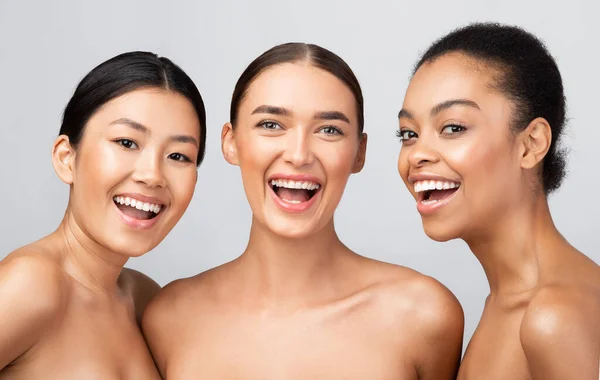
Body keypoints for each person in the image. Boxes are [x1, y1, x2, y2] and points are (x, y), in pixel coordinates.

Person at [143, 42, 464, 380]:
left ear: (359, 153)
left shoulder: (424, 315)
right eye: (271, 124)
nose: (299, 155)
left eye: (329, 130)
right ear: (231, 142)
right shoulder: (169, 318)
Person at [397, 22, 600, 380]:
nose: (417, 155)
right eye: (409, 133)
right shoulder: (508, 301)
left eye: (453, 127)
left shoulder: (552, 318)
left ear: (531, 143)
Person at [0, 51, 206, 379]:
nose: (152, 175)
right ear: (66, 157)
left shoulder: (145, 299)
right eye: (127, 142)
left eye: (178, 155)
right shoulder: (31, 284)